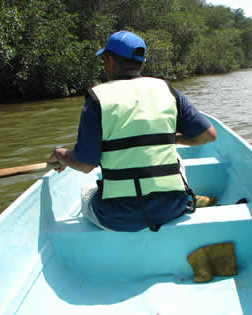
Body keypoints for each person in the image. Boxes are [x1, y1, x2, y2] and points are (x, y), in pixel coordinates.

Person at [47, 30, 217, 232]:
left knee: (87, 191)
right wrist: (173, 139)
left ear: (110, 61)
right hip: (172, 207)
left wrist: (60, 154)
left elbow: (85, 165)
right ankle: (188, 198)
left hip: (116, 216)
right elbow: (208, 135)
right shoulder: (167, 90)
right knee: (177, 159)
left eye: (104, 61)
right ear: (140, 63)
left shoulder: (97, 98)